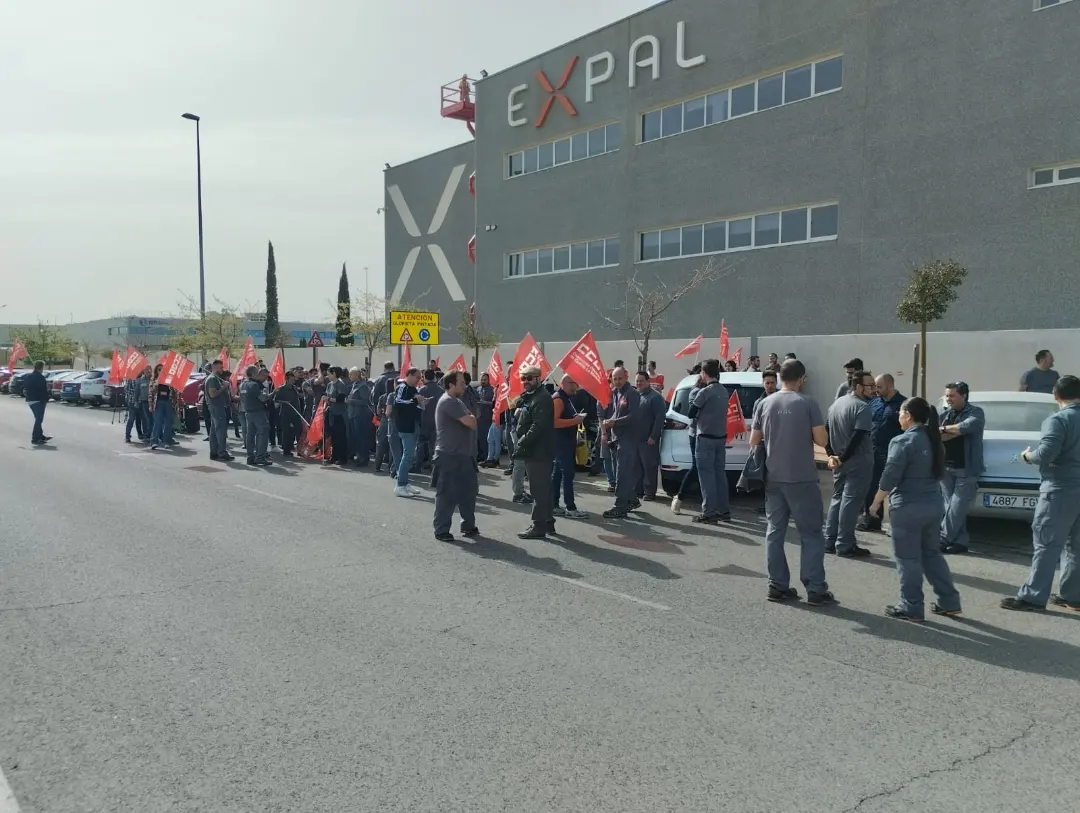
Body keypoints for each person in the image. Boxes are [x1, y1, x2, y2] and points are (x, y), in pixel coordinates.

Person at [867, 397, 962, 621]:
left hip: (908, 507)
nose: (899, 417)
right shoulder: (933, 439)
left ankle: (911, 606)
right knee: (932, 555)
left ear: (908, 415)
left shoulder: (902, 442)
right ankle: (949, 601)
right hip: (933, 504)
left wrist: (876, 501)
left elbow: (890, 475)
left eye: (901, 413)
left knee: (908, 559)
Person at [750, 359, 834, 606]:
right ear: (801, 379)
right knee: (811, 533)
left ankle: (777, 585)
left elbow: (755, 439)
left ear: (779, 378)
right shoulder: (807, 402)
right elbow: (821, 439)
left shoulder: (765, 403)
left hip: (773, 476)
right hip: (802, 477)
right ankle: (815, 589)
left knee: (775, 532)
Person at [1002, 375, 1080, 612]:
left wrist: (1028, 456)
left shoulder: (1058, 420)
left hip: (1060, 489)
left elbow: (1046, 453)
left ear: (1056, 395)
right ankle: (1073, 595)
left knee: (1046, 544)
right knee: (1076, 545)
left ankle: (1032, 597)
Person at [823, 370, 875, 557]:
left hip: (839, 461)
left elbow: (825, 431)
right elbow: (857, 436)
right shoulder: (862, 407)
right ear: (859, 387)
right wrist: (840, 457)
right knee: (851, 503)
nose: (874, 390)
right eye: (870, 386)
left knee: (838, 499)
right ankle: (844, 544)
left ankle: (830, 540)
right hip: (857, 461)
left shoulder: (837, 404)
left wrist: (832, 455)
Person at [432, 371, 481, 542]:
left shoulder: (457, 401)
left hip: (464, 456)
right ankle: (441, 529)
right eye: (461, 382)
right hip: (449, 456)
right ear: (451, 385)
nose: (465, 385)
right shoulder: (448, 402)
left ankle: (468, 525)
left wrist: (471, 417)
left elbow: (473, 418)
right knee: (447, 495)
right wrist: (471, 417)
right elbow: (472, 422)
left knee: (469, 492)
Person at [939, 382, 985, 554]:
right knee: (950, 506)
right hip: (946, 468)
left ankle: (943, 539)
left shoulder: (976, 413)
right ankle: (961, 541)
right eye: (947, 395)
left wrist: (945, 429)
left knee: (957, 506)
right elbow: (936, 437)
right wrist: (952, 431)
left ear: (964, 395)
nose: (948, 399)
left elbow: (966, 427)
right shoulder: (944, 414)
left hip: (967, 468)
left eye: (952, 395)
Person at [859, 373, 905, 532]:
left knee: (894, 489)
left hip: (892, 454)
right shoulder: (874, 403)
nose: (875, 390)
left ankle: (897, 524)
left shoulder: (903, 405)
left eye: (879, 387)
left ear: (889, 386)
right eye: (874, 387)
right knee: (870, 487)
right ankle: (871, 519)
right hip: (872, 452)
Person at [688, 359, 732, 524]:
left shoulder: (704, 392)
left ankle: (709, 512)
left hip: (705, 438)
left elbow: (691, 413)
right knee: (720, 475)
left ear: (704, 373)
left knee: (706, 477)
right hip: (720, 438)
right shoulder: (723, 391)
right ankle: (724, 510)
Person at [514, 366, 556, 539]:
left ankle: (538, 526)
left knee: (538, 489)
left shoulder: (542, 398)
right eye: (523, 378)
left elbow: (537, 426)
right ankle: (547, 523)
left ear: (539, 378)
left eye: (529, 378)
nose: (526, 382)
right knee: (543, 488)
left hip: (539, 451)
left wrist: (522, 441)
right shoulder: (532, 397)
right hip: (535, 450)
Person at [602, 367, 642, 519]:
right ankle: (632, 500)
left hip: (628, 438)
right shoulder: (615, 393)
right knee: (620, 471)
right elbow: (617, 412)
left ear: (626, 377)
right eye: (614, 378)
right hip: (617, 438)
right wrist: (609, 421)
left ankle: (620, 507)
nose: (617, 381)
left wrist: (614, 422)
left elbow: (634, 416)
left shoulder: (632, 393)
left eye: (620, 378)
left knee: (622, 474)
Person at [552, 374, 588, 520]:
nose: (577, 387)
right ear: (566, 383)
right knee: (567, 474)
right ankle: (570, 507)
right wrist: (575, 421)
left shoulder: (565, 398)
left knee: (558, 475)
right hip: (561, 443)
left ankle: (553, 504)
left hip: (564, 442)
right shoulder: (559, 399)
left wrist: (575, 418)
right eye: (575, 383)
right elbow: (554, 422)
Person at [671, 374, 704, 515]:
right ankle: (679, 497)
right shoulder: (697, 392)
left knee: (708, 469)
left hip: (710, 435)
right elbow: (694, 414)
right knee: (697, 468)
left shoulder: (713, 391)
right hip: (697, 434)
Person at [393, 368, 425, 496]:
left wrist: (421, 402)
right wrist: (415, 401)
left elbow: (413, 405)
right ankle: (400, 485)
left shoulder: (413, 389)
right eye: (417, 377)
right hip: (405, 426)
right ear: (410, 375)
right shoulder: (402, 387)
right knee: (407, 456)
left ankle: (405, 483)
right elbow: (399, 402)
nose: (419, 380)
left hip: (413, 425)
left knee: (410, 455)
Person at [635, 371, 667, 501]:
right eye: (637, 381)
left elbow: (660, 419)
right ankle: (638, 491)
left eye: (641, 381)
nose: (638, 383)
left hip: (648, 440)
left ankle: (649, 492)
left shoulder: (656, 398)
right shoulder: (636, 396)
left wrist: (653, 436)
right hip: (636, 438)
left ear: (647, 381)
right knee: (636, 466)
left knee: (649, 466)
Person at [239, 365, 272, 465]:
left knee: (250, 435)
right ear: (253, 374)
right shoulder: (254, 385)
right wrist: (271, 393)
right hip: (258, 412)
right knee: (263, 434)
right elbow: (263, 398)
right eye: (257, 373)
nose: (258, 374)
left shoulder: (242, 384)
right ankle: (260, 457)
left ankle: (250, 456)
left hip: (248, 412)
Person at [204, 360, 234, 461]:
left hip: (216, 407)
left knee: (214, 431)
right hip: (216, 407)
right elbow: (212, 394)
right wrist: (223, 387)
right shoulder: (212, 379)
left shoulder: (215, 378)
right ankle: (222, 452)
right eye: (220, 367)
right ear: (215, 367)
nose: (222, 369)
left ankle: (214, 452)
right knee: (221, 430)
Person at [414, 369, 444, 471]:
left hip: (423, 421)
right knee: (434, 446)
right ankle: (433, 467)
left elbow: (416, 406)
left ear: (424, 377)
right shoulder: (441, 391)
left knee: (420, 445)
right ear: (434, 377)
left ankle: (417, 466)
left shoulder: (421, 390)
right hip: (436, 422)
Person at [346, 367, 374, 466]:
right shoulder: (354, 385)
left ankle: (364, 458)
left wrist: (350, 401)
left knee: (361, 437)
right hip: (353, 415)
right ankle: (358, 455)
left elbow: (365, 401)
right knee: (356, 437)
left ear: (357, 375)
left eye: (351, 374)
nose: (349, 376)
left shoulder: (363, 386)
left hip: (360, 415)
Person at [324, 366, 350, 465]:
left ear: (334, 373)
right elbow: (327, 395)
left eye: (329, 374)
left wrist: (329, 399)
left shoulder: (341, 384)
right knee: (333, 436)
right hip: (331, 413)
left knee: (341, 436)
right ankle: (333, 456)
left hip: (340, 414)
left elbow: (341, 399)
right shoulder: (329, 384)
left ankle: (342, 458)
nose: (327, 376)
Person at [149, 364, 178, 450]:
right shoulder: (154, 380)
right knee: (157, 422)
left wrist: (175, 403)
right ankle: (154, 442)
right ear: (156, 371)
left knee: (168, 423)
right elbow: (150, 394)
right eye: (159, 369)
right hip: (158, 403)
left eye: (162, 369)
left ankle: (166, 441)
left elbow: (174, 392)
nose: (160, 371)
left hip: (168, 402)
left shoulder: (169, 380)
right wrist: (150, 405)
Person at [274, 371, 304, 456]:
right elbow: (276, 400)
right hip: (286, 413)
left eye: (293, 379)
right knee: (287, 432)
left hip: (296, 412)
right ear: (286, 379)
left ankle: (300, 450)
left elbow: (298, 396)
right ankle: (286, 450)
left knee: (299, 431)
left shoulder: (294, 388)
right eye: (291, 380)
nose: (293, 381)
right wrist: (285, 402)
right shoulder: (281, 389)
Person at [23, 361, 50, 445]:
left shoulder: (28, 376)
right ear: (41, 367)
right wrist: (47, 399)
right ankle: (35, 438)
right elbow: (43, 390)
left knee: (38, 419)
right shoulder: (41, 377)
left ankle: (40, 435)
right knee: (39, 419)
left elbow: (25, 388)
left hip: (30, 400)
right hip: (39, 400)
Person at [477, 372, 496, 462]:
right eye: (482, 380)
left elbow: (494, 403)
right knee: (479, 437)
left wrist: (485, 402)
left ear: (488, 380)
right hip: (478, 418)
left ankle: (486, 455)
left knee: (486, 438)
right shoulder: (477, 389)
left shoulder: (492, 390)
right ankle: (480, 455)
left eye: (485, 380)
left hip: (487, 418)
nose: (483, 381)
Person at [123, 370, 145, 442]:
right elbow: (126, 390)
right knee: (131, 419)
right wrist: (130, 399)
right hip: (132, 402)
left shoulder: (142, 379)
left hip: (141, 402)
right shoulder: (131, 379)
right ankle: (127, 436)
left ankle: (140, 434)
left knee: (140, 419)